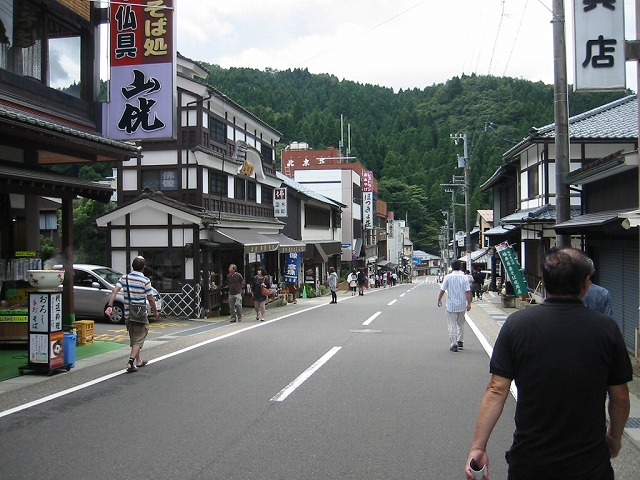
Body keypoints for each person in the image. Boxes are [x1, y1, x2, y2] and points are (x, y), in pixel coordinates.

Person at [464, 248, 632, 480]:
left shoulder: (517, 325)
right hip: (589, 463)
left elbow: (496, 389)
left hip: (531, 461)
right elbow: (621, 396)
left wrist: (478, 447)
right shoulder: (606, 329)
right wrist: (614, 436)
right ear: (585, 284)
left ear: (543, 282)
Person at [105, 256, 159, 373]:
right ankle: (130, 362)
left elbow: (115, 291)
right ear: (143, 267)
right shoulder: (145, 280)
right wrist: (155, 311)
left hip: (127, 313)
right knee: (139, 337)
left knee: (134, 336)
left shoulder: (125, 278)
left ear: (132, 266)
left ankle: (138, 360)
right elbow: (150, 298)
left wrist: (110, 306)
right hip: (140, 313)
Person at [437, 260, 471, 352]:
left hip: (451, 305)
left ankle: (454, 344)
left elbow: (442, 290)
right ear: (460, 267)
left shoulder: (448, 277)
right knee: (461, 324)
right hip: (462, 304)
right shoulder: (464, 277)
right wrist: (469, 303)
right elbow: (467, 291)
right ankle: (460, 341)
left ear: (451, 267)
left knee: (452, 325)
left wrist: (439, 299)